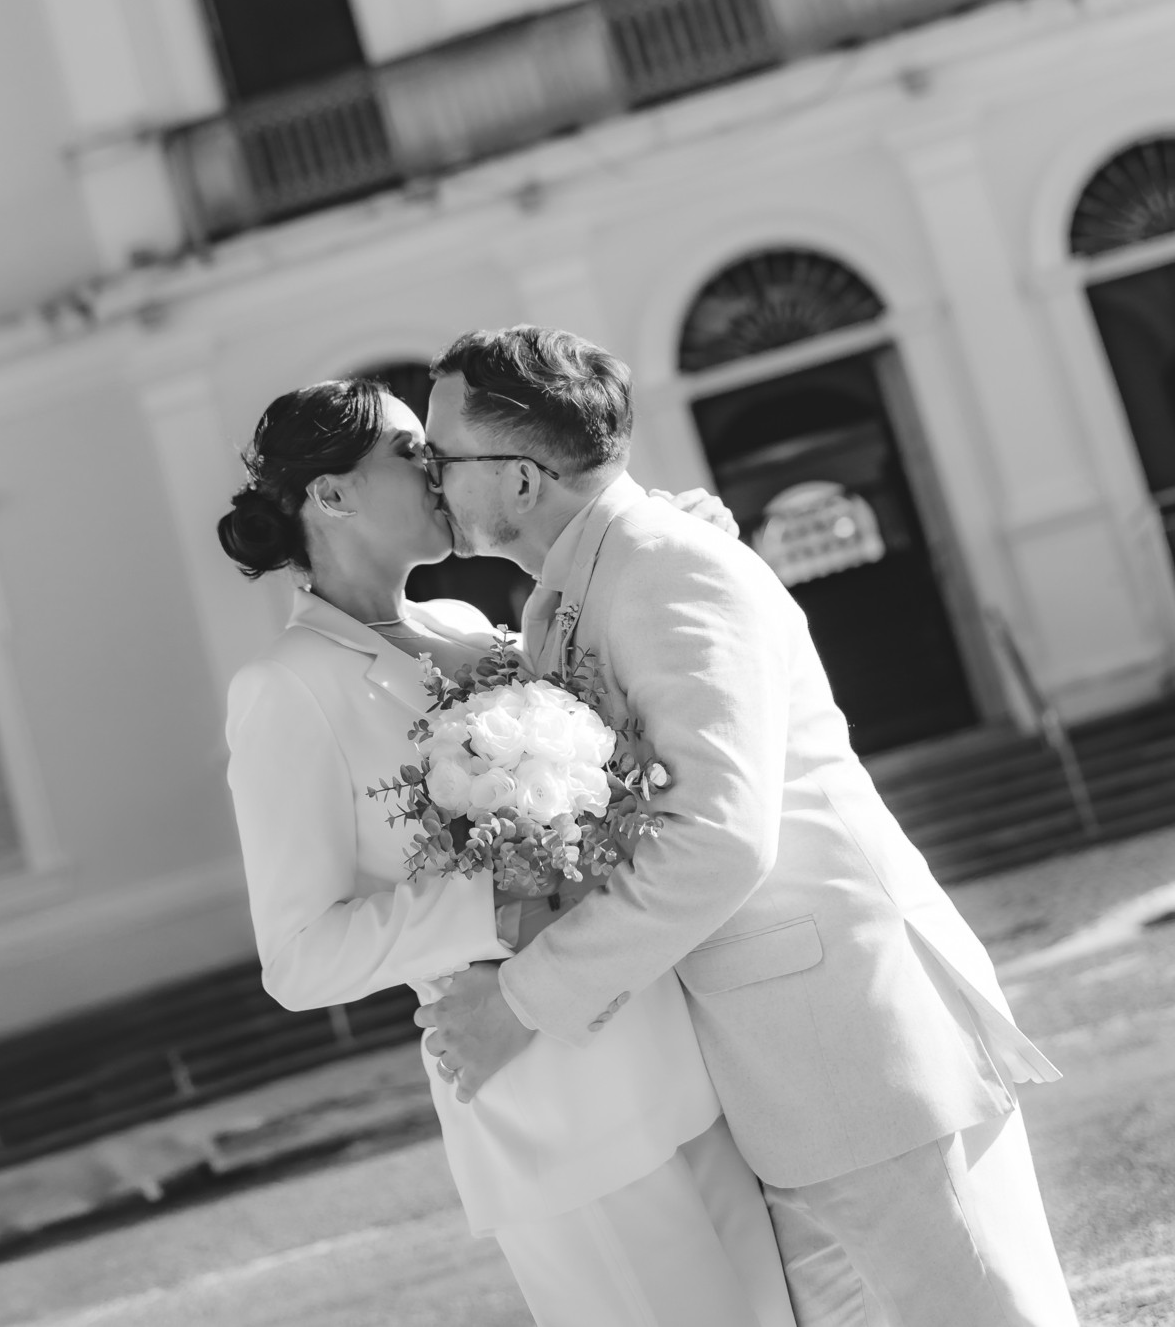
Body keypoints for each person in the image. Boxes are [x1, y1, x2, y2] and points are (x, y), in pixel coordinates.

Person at [417, 326, 1079, 1327]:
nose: (427, 474)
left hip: (859, 1041)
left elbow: (718, 837)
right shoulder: (585, 583)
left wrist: (524, 1001)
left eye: (440, 454)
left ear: (517, 478)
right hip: (783, 1073)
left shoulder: (665, 566)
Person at [217, 377, 793, 1327]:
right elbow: (298, 958)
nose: (435, 465)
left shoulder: (475, 629)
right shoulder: (285, 692)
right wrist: (498, 901)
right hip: (543, 1108)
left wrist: (669, 545)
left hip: (666, 1044)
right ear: (332, 496)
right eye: (407, 453)